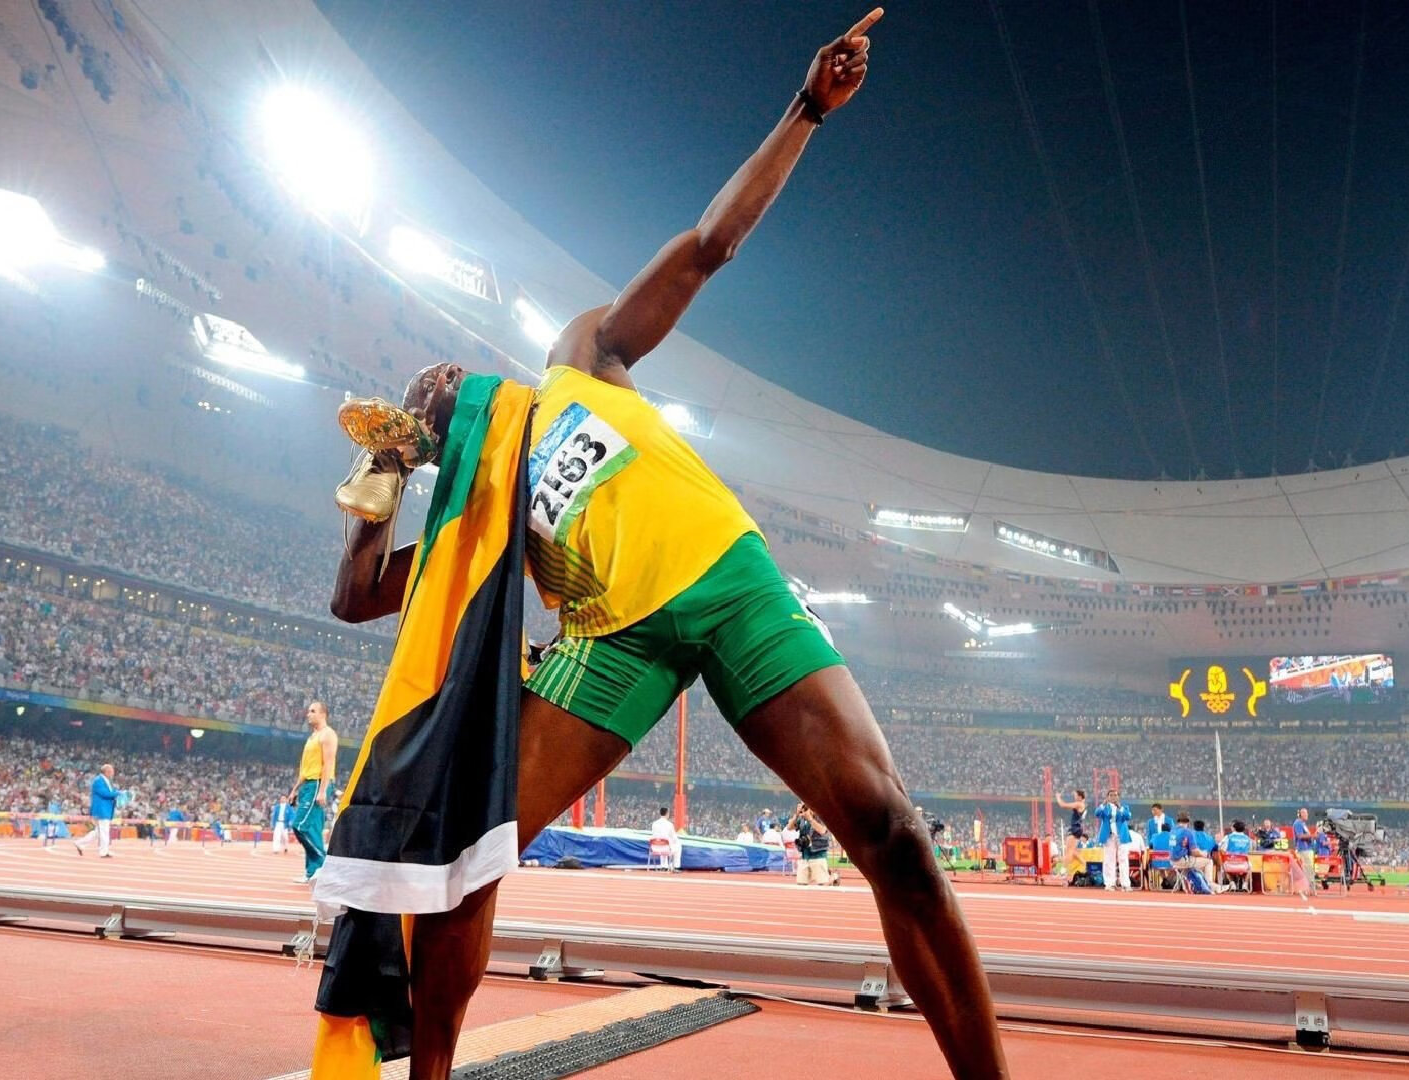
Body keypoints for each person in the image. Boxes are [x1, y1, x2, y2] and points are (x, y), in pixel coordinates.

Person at [326, 14, 1006, 1077]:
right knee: (462, 858)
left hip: (729, 584)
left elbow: (705, 251)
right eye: (428, 399)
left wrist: (806, 112)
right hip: (611, 642)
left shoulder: (579, 360)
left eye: (443, 375)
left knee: (896, 835)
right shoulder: (480, 524)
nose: (437, 385)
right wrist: (385, 474)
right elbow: (359, 597)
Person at [290, 701, 339, 884]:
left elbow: (328, 763)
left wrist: (323, 790)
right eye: (308, 711)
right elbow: (305, 767)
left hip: (318, 784)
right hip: (308, 784)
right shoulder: (312, 737)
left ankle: (325, 864)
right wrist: (295, 789)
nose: (308, 714)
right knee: (314, 830)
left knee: (300, 826)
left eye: (312, 711)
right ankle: (312, 872)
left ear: (323, 714)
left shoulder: (328, 735)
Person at [73, 763, 119, 857]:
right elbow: (105, 793)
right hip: (101, 810)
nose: (113, 773)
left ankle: (80, 843)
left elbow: (110, 793)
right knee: (104, 831)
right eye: (111, 771)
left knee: (98, 832)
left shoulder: (106, 781)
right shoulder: (99, 781)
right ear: (107, 771)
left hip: (105, 809)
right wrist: (118, 793)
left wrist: (118, 793)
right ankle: (103, 851)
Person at [1094, 788, 1133, 891]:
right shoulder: (1104, 808)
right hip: (1109, 836)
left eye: (1115, 795)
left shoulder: (1124, 807)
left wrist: (1119, 807)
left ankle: (1125, 884)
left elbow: (1128, 816)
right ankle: (1110, 883)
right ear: (1107, 797)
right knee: (1109, 860)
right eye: (1111, 795)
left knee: (1123, 859)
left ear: (1118, 797)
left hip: (1122, 836)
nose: (1113, 797)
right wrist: (1103, 804)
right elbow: (1097, 813)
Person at [1055, 788, 1088, 877]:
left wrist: (1058, 797)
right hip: (1076, 828)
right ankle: (1085, 864)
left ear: (1080, 797)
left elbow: (1063, 805)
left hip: (1075, 828)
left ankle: (1062, 872)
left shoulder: (1079, 804)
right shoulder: (1082, 804)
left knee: (1068, 852)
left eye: (1076, 795)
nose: (1075, 797)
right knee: (1072, 851)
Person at [1221, 821, 1254, 893]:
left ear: (1234, 828)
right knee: (1250, 867)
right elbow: (1250, 850)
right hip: (1243, 866)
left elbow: (1221, 849)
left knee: (1223, 864)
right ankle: (1245, 884)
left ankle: (1232, 883)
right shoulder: (1248, 839)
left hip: (1230, 865)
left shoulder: (1228, 837)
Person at [1290, 808, 1316, 899]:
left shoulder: (1302, 824)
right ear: (1300, 814)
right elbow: (1300, 836)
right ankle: (1308, 889)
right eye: (1305, 813)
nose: (1307, 815)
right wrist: (1312, 835)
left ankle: (1308, 888)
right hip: (1303, 849)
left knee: (1308, 869)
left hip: (1307, 849)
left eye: (1307, 813)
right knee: (1307, 870)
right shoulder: (1298, 823)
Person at [649, 806, 680, 872]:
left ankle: (664, 866)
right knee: (678, 845)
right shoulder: (669, 824)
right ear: (667, 813)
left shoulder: (654, 824)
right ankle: (676, 866)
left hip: (655, 848)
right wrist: (675, 841)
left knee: (663, 844)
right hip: (666, 848)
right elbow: (674, 837)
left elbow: (654, 835)